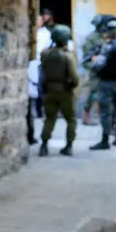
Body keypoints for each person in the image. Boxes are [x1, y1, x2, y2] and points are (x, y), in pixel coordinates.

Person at [38, 25, 79, 156]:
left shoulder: (45, 54)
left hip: (49, 90)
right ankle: (69, 146)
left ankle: (44, 146)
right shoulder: (67, 56)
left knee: (49, 118)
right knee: (71, 119)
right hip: (65, 92)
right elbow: (75, 78)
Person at [89, 18, 116, 150]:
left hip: (106, 83)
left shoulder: (107, 47)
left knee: (106, 112)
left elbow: (97, 65)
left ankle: (105, 141)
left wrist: (94, 60)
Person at [80, 14, 106, 126]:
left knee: (104, 93)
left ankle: (103, 115)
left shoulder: (104, 36)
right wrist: (94, 60)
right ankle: (86, 115)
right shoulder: (91, 38)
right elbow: (88, 56)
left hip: (104, 67)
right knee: (94, 93)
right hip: (95, 68)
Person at [27, 57, 40, 145]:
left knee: (30, 116)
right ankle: (30, 136)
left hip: (30, 91)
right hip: (31, 92)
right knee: (30, 116)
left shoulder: (33, 64)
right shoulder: (34, 64)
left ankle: (30, 136)